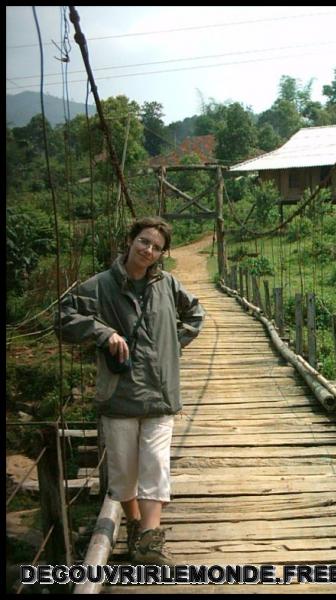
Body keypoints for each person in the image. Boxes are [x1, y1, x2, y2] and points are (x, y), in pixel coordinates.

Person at [55, 216, 205, 565]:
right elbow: (63, 317)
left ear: (162, 253)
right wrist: (103, 334)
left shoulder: (167, 284)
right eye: (143, 241)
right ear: (131, 240)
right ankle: (136, 525)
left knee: (155, 465)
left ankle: (149, 544)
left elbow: (195, 313)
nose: (148, 250)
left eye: (156, 246)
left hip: (160, 393)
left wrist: (174, 344)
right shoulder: (100, 286)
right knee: (123, 475)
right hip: (119, 394)